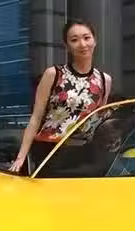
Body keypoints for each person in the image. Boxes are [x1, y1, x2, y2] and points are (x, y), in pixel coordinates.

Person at [9, 18, 112, 173]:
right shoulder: (54, 74)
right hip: (50, 152)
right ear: (67, 46)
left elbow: (99, 121)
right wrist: (20, 157)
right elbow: (36, 118)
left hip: (84, 154)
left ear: (94, 40)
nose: (82, 44)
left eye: (86, 38)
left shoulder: (104, 80)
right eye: (74, 40)